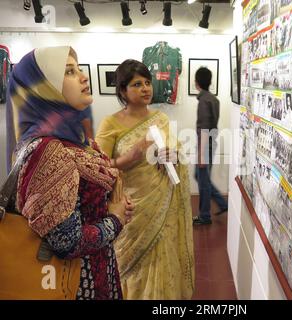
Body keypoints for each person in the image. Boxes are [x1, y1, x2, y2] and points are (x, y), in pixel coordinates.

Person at [5, 46, 134, 299]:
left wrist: (111, 202)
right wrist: (115, 219)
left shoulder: (76, 140)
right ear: (43, 89)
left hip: (95, 270)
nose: (84, 76)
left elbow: (85, 197)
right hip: (75, 282)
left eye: (78, 68)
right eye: (69, 72)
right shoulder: (49, 151)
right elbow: (67, 242)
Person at [95, 59, 194, 299]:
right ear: (122, 91)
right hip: (132, 209)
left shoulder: (159, 118)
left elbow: (175, 152)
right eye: (137, 84)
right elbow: (97, 168)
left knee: (163, 255)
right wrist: (130, 157)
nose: (145, 88)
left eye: (147, 83)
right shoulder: (111, 123)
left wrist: (174, 155)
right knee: (132, 266)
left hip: (163, 205)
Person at [192, 67, 228, 225]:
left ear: (197, 82)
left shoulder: (204, 102)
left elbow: (204, 129)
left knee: (202, 179)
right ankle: (222, 203)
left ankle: (205, 216)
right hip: (211, 143)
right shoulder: (214, 99)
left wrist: (201, 153)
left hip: (205, 145)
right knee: (200, 177)